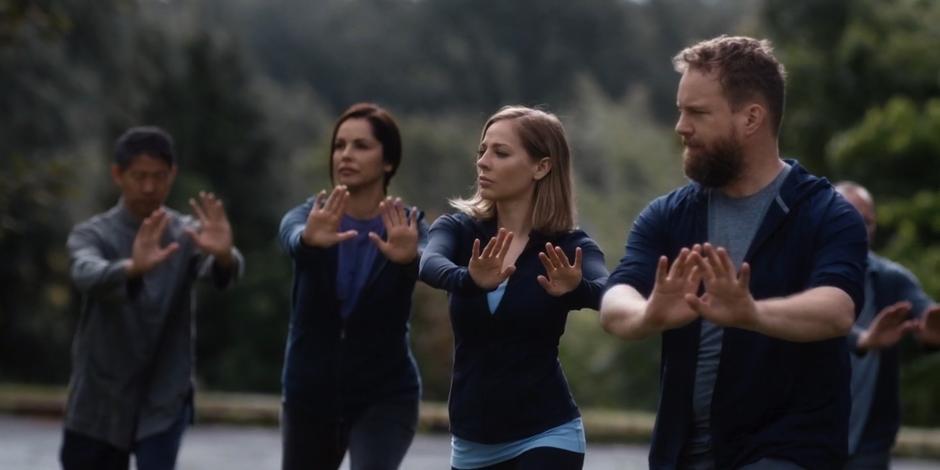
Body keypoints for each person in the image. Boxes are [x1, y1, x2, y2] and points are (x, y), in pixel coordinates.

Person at [599, 36, 868, 469]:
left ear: (751, 119)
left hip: (788, 452)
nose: (681, 126)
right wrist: (650, 313)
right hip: (683, 455)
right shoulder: (668, 216)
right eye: (680, 110)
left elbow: (837, 309)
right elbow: (615, 301)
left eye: (698, 113)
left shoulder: (825, 213)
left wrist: (751, 313)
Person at [419, 105, 609, 470]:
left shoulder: (568, 246)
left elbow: (610, 290)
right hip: (472, 441)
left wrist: (577, 289)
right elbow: (428, 263)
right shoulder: (459, 231)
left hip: (548, 434)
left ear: (542, 166)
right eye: (482, 151)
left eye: (500, 152)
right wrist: (468, 279)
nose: (483, 162)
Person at [61, 126, 244, 470]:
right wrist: (132, 267)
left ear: (172, 175)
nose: (148, 187)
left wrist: (223, 256)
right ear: (118, 174)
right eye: (139, 176)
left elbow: (224, 270)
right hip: (99, 397)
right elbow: (85, 273)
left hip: (164, 395)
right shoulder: (92, 233)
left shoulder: (185, 233)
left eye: (158, 177)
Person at [278, 103, 426, 470]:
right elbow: (292, 235)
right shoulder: (311, 217)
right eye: (339, 145)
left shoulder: (407, 228)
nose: (345, 155)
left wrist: (409, 259)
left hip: (385, 396)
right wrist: (309, 241)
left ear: (387, 161)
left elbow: (428, 258)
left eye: (361, 146)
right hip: (310, 396)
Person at [834, 181, 940, 469]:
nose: (857, 230)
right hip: (807, 437)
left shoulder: (892, 279)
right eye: (847, 218)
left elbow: (922, 309)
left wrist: (931, 333)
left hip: (869, 442)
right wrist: (862, 339)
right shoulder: (801, 275)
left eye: (865, 222)